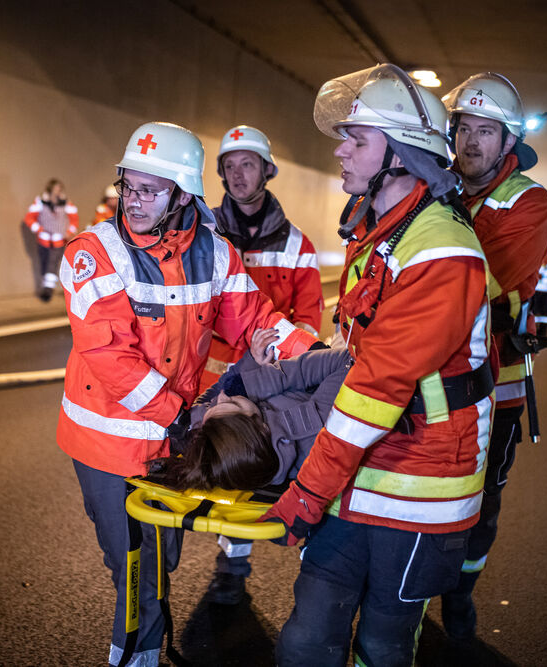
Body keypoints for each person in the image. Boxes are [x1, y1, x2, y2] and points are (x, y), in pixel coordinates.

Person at [57, 121, 318, 667]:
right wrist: (179, 416)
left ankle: (151, 632)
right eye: (129, 185)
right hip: (110, 442)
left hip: (173, 437)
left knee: (161, 558)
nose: (134, 200)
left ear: (182, 194)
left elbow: (255, 320)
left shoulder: (215, 253)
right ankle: (136, 655)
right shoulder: (93, 254)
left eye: (149, 190)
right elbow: (111, 358)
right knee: (135, 568)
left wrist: (310, 354)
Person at [262, 64, 495, 666]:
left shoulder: (440, 246)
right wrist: (299, 359)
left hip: (421, 486)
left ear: (399, 154)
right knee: (307, 638)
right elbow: (362, 352)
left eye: (355, 139)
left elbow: (375, 386)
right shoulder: (380, 232)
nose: (339, 149)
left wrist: (309, 488)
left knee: (384, 645)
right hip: (361, 468)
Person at [440, 72, 547, 643]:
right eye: (463, 128)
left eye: (486, 131)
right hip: (428, 376)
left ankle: (459, 598)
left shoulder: (528, 202)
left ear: (508, 142)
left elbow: (480, 284)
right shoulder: (433, 185)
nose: (471, 142)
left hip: (497, 381)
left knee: (481, 504)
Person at [200, 125, 325, 604]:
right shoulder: (203, 231)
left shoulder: (298, 245)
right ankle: (231, 562)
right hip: (218, 379)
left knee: (274, 466)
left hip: (274, 381)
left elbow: (309, 318)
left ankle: (312, 567)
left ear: (267, 171)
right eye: (229, 166)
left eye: (247, 164)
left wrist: (287, 368)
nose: (237, 174)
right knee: (227, 469)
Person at [156, 330, 350, 493]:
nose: (223, 396)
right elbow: (347, 361)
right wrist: (251, 385)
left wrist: (250, 363)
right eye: (234, 403)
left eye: (213, 408)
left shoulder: (217, 440)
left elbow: (208, 401)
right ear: (260, 426)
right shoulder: (311, 429)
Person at [23, 178, 79, 301]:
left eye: (59, 189)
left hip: (59, 239)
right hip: (44, 239)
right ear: (50, 189)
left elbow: (74, 218)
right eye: (56, 189)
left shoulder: (66, 203)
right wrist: (38, 229)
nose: (58, 191)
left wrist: (69, 232)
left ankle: (48, 290)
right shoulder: (40, 201)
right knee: (44, 263)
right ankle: (46, 285)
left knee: (52, 263)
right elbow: (29, 218)